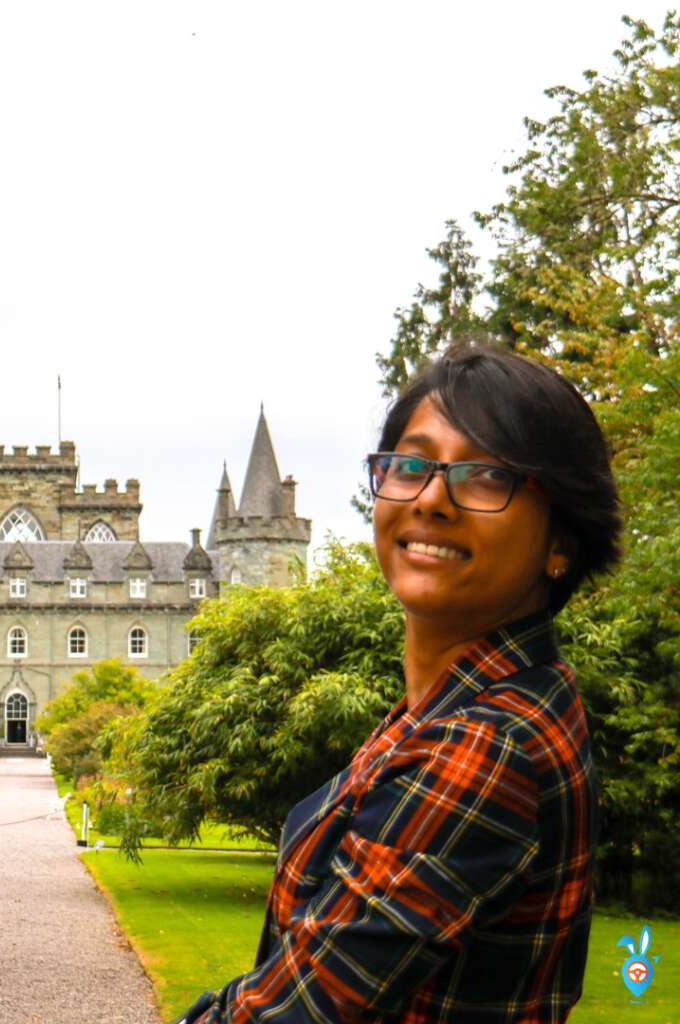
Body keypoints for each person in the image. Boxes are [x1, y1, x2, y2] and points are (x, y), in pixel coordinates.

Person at [176, 343, 622, 1023]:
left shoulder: (484, 746)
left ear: (561, 539)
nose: (432, 498)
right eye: (410, 465)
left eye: (486, 475)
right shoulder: (464, 705)